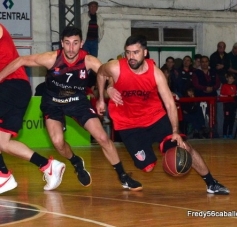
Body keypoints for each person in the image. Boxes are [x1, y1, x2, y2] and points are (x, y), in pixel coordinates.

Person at [0, 26, 142, 191]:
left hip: (77, 101)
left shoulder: (89, 60)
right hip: (52, 102)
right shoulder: (51, 58)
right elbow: (20, 60)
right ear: (62, 43)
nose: (71, 48)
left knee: (102, 137)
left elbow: (107, 73)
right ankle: (75, 161)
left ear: (81, 43)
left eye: (75, 43)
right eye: (67, 43)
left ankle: (123, 176)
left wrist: (108, 89)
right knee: (58, 142)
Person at [97, 35, 229, 195]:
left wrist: (175, 131)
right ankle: (128, 173)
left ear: (145, 52)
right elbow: (100, 73)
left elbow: (170, 104)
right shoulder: (115, 67)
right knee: (147, 166)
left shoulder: (156, 74)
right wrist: (106, 92)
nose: (131, 57)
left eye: (136, 52)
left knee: (184, 147)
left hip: (154, 117)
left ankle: (211, 182)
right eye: (128, 53)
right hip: (128, 123)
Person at [0, 24, 65, 194]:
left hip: (11, 86)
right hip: (17, 89)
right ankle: (48, 166)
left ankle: (2, 174)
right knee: (3, 142)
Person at [219, 73, 237, 139]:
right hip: (227, 104)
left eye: (232, 78)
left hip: (233, 104)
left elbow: (236, 95)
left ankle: (230, 133)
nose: (231, 79)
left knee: (232, 120)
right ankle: (224, 134)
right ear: (227, 78)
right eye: (229, 78)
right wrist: (229, 96)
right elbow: (221, 95)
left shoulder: (235, 86)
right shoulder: (224, 86)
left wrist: (234, 97)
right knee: (226, 119)